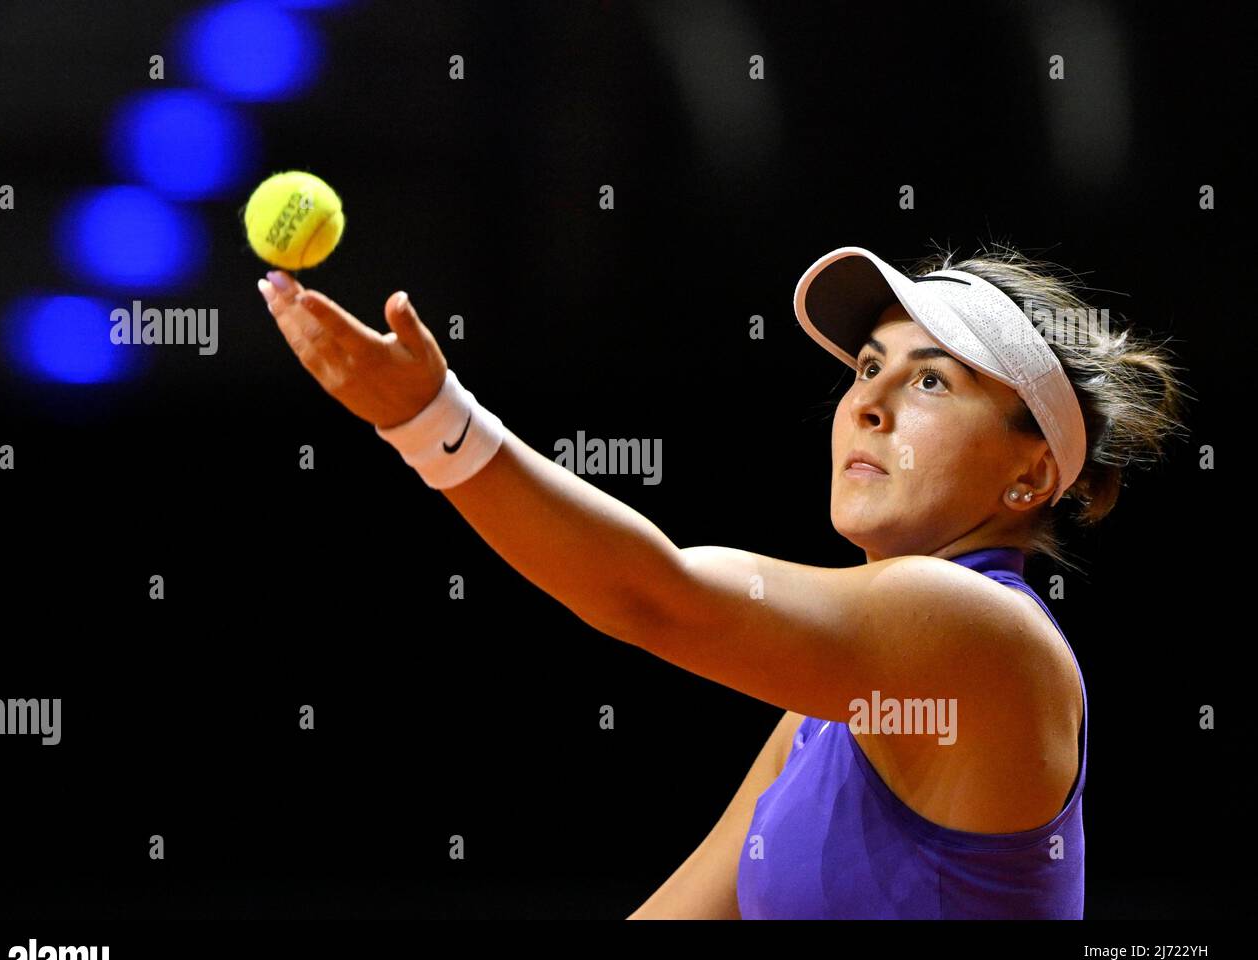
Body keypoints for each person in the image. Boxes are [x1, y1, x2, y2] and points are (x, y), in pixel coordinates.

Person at [255, 240, 1189, 918]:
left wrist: (432, 422)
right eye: (867, 367)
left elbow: (654, 595)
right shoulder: (826, 710)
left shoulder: (987, 634)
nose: (866, 401)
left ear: (1029, 476)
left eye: (932, 381)